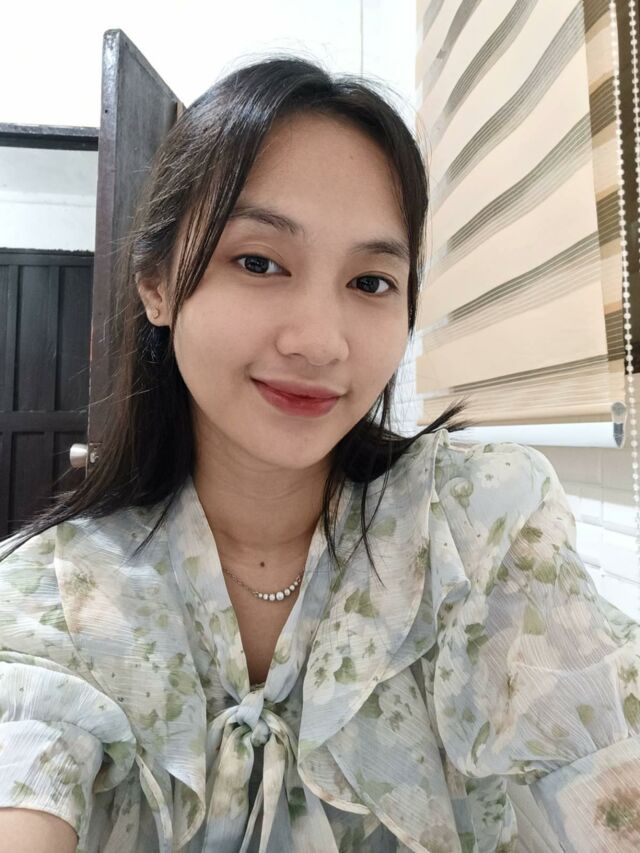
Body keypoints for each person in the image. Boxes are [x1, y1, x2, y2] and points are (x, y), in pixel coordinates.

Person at [1, 53, 639, 853]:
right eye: (259, 262)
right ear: (156, 283)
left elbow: (603, 755)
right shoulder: (51, 599)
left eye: (370, 282)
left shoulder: (476, 530)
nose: (319, 341)